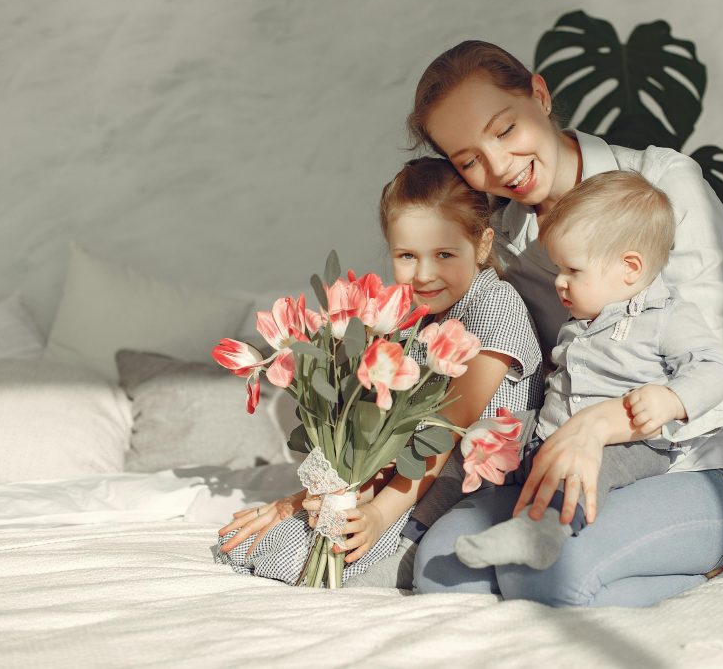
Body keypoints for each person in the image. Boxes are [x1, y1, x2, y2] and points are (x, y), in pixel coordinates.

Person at [408, 40, 723, 607]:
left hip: (696, 468)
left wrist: (601, 425)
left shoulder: (663, 185)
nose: (499, 166)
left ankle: (705, 570)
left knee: (549, 576)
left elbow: (718, 381)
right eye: (468, 159)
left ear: (539, 94)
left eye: (505, 130)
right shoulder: (504, 239)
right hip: (566, 462)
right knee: (439, 568)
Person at [215, 156, 544, 586]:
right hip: (404, 480)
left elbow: (442, 432)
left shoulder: (496, 308)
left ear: (482, 245)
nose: (424, 274)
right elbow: (385, 439)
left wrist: (376, 514)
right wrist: (301, 502)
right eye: (407, 255)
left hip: (464, 491)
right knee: (256, 547)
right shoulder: (413, 318)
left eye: (444, 254)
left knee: (300, 568)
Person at [454, 168, 723, 572]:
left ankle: (543, 532)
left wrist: (672, 398)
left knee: (583, 473)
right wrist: (509, 432)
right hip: (552, 429)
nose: (561, 283)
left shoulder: (665, 317)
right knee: (496, 429)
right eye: (559, 270)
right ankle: (495, 467)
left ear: (630, 268)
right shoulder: (580, 324)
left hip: (626, 446)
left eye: (573, 270)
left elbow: (718, 366)